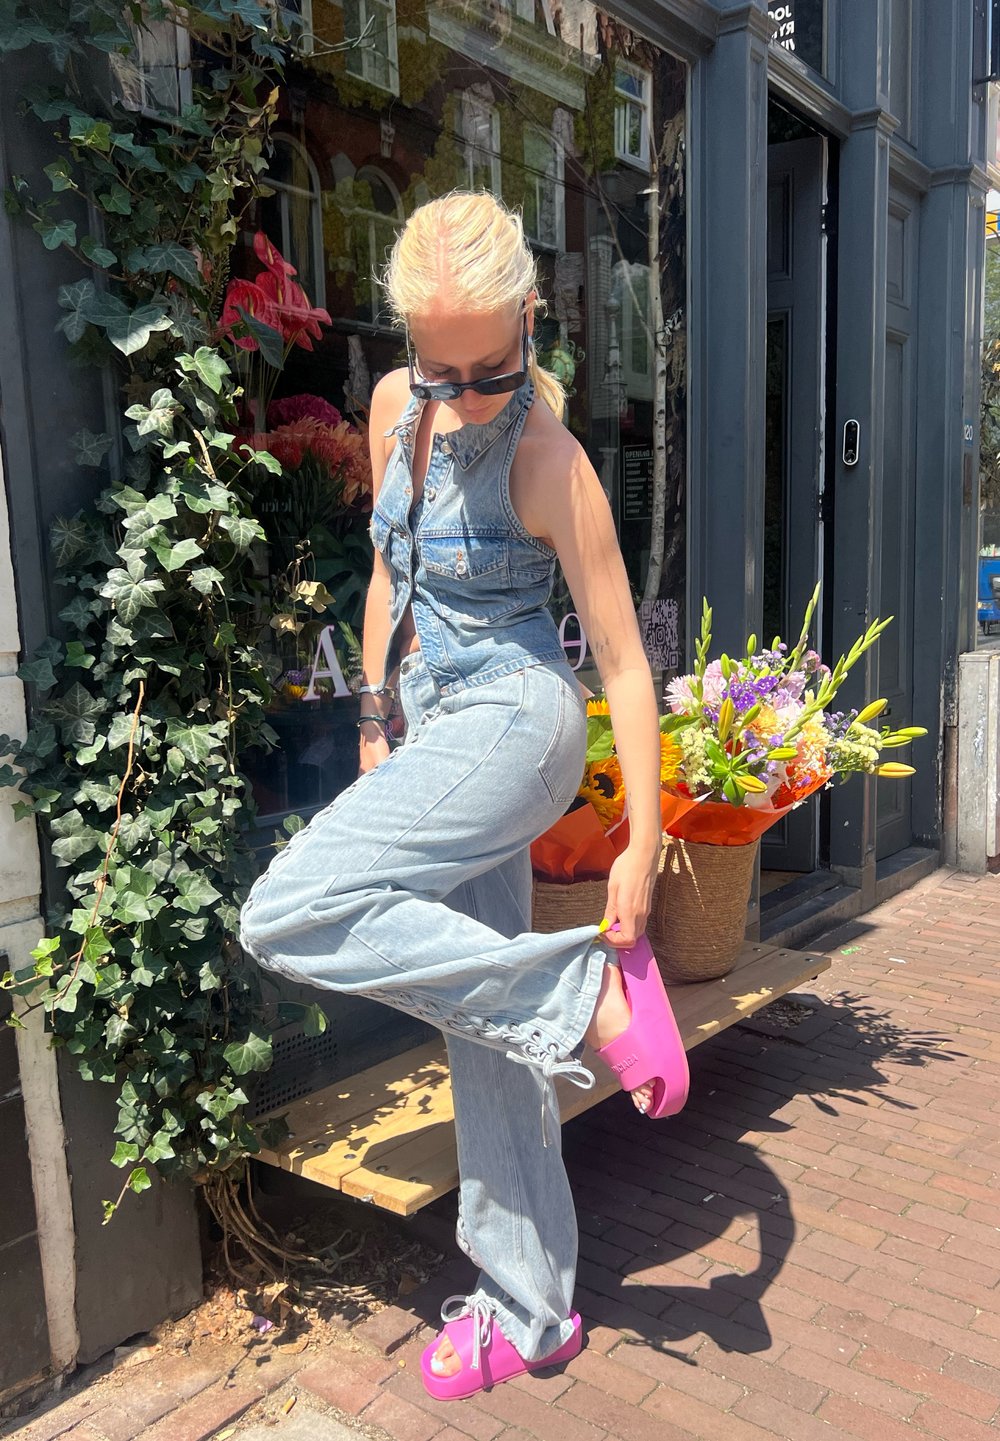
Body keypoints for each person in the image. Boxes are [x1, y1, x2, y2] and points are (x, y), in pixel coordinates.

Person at [239, 191, 686, 1401]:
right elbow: (385, 576)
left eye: (491, 367)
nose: (462, 396)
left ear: (530, 320)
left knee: (283, 908)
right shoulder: (394, 409)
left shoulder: (548, 456)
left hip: (520, 721)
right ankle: (530, 1307)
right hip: (433, 729)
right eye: (437, 369)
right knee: (483, 1031)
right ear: (404, 347)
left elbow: (624, 661)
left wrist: (642, 836)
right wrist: (377, 717)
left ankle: (580, 985)